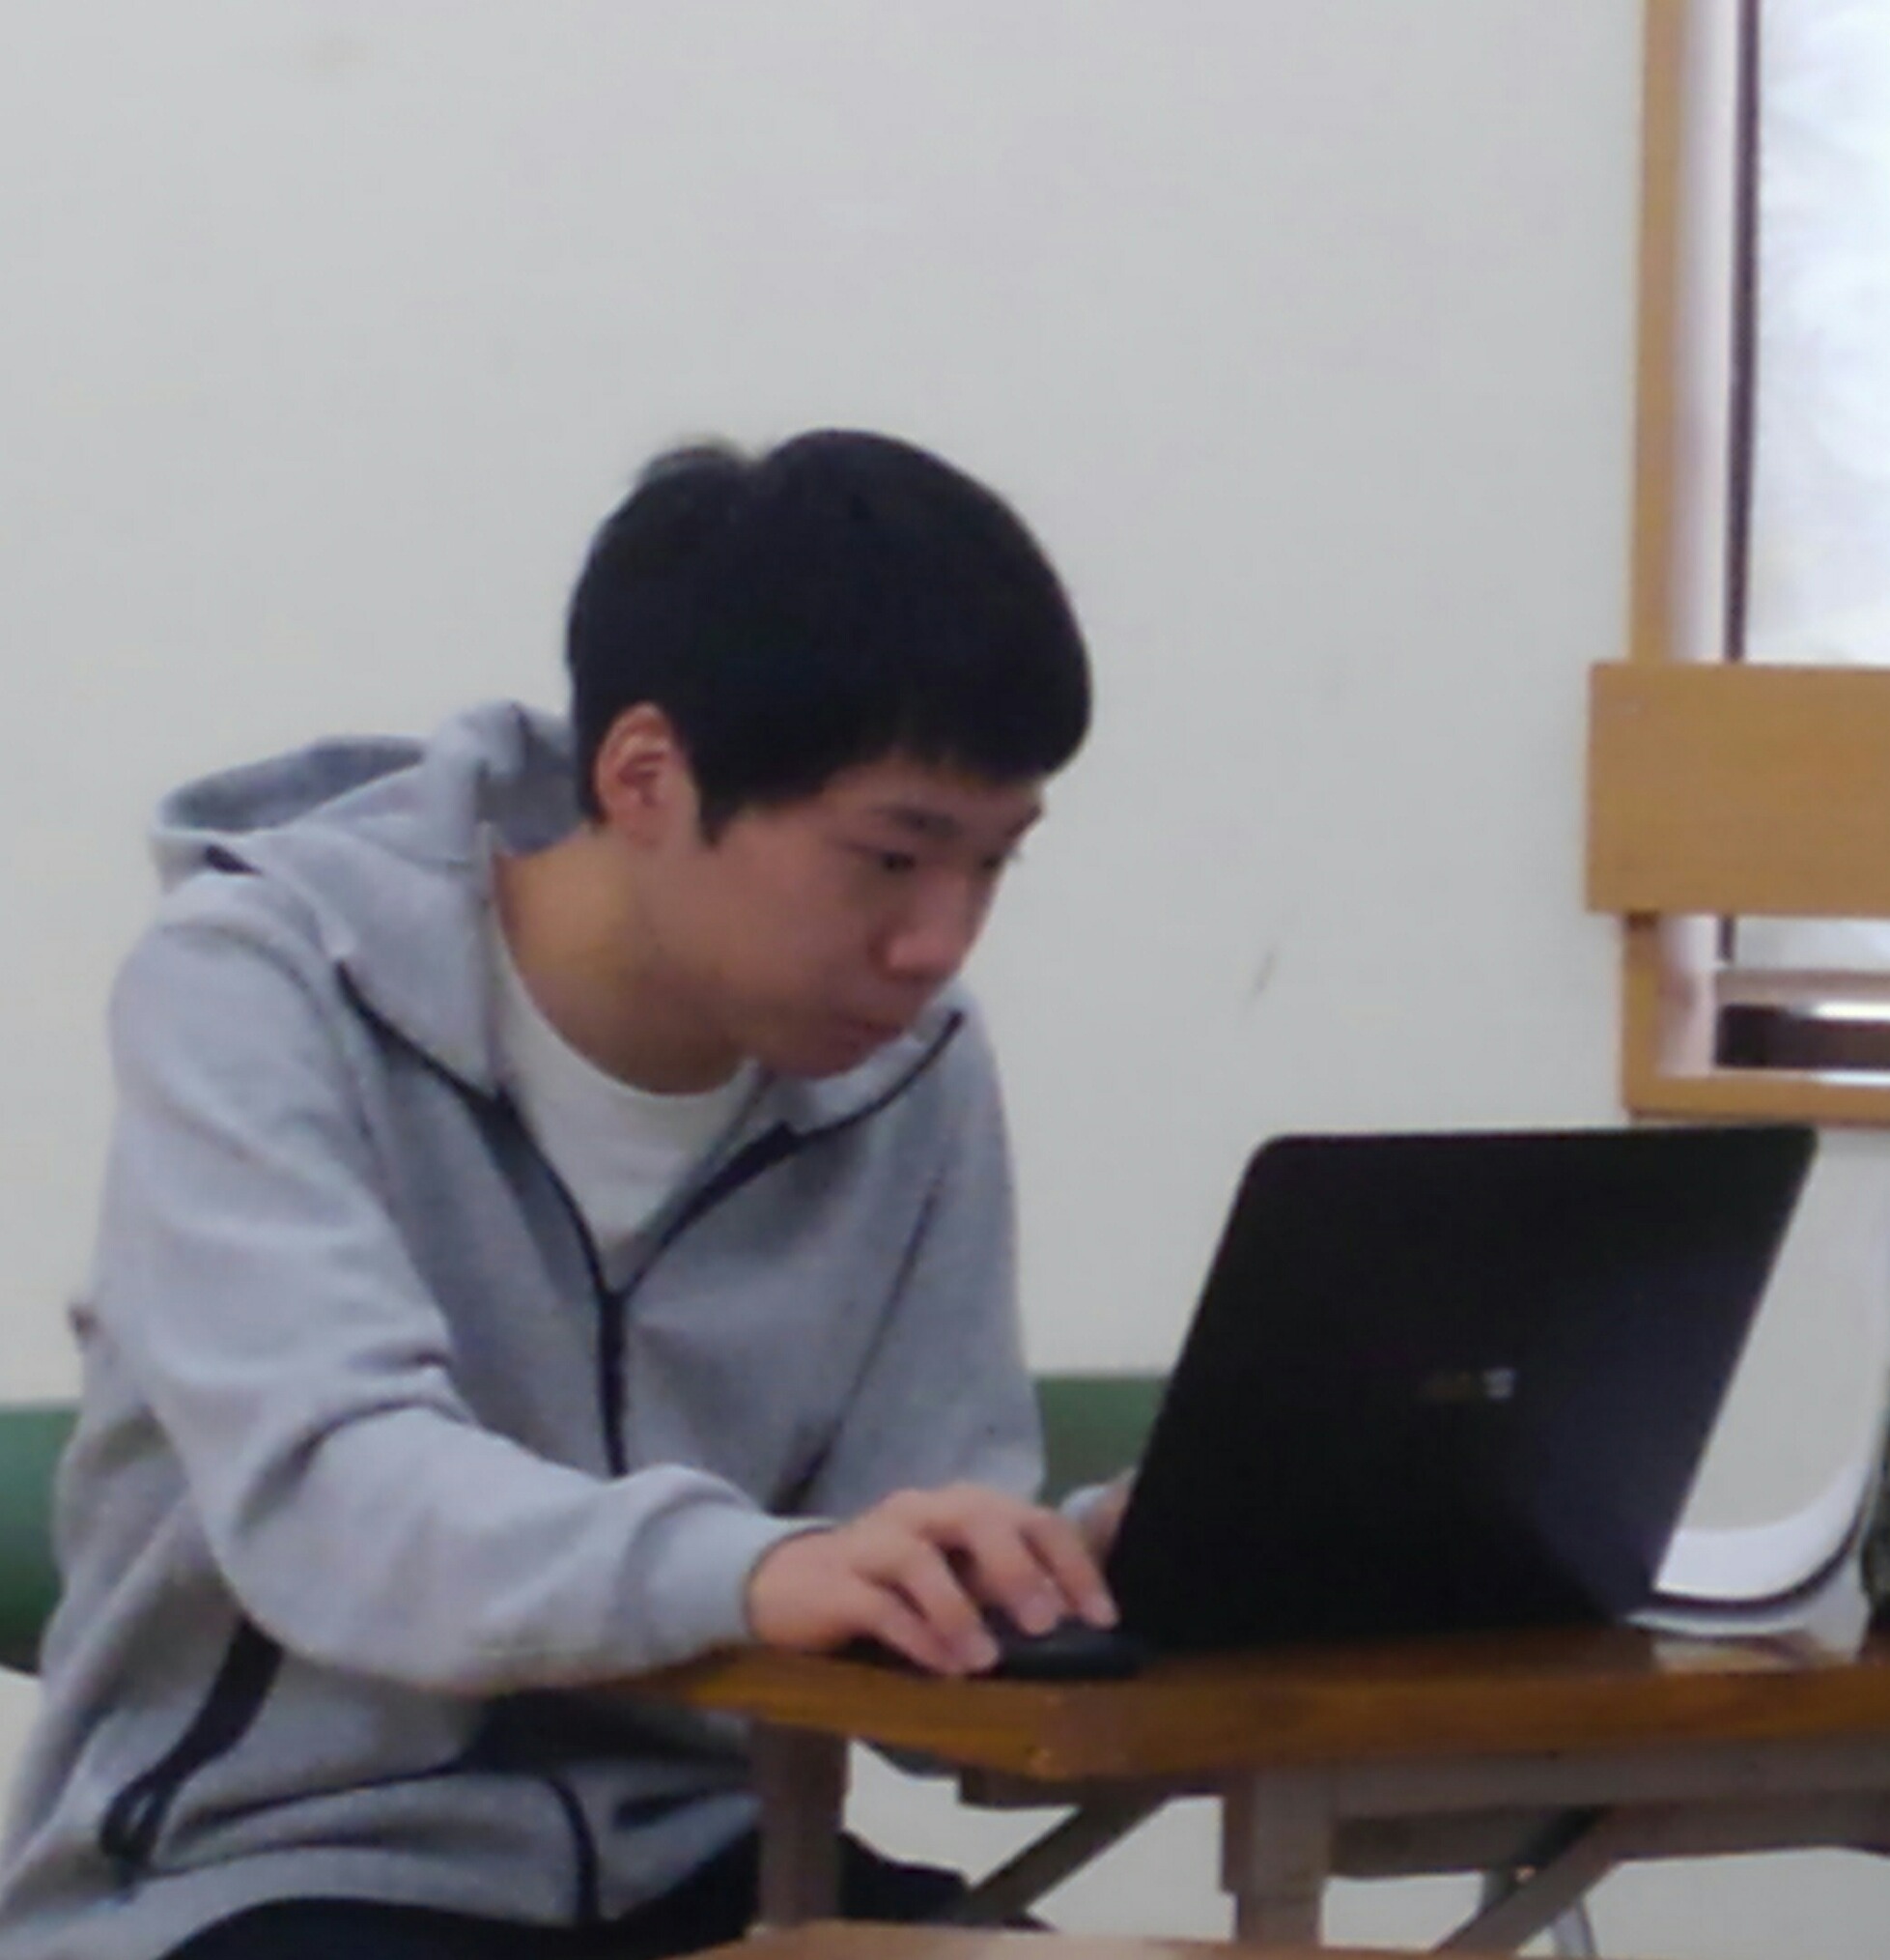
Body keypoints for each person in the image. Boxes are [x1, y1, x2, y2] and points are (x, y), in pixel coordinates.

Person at [0, 431, 1126, 1960]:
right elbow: (335, 1491)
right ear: (646, 775)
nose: (939, 941)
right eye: (890, 857)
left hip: (719, 1861)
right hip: (263, 1871)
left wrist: (1073, 1571)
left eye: (994, 865)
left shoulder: (913, 1066)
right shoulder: (260, 983)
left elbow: (906, 1591)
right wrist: (749, 1564)